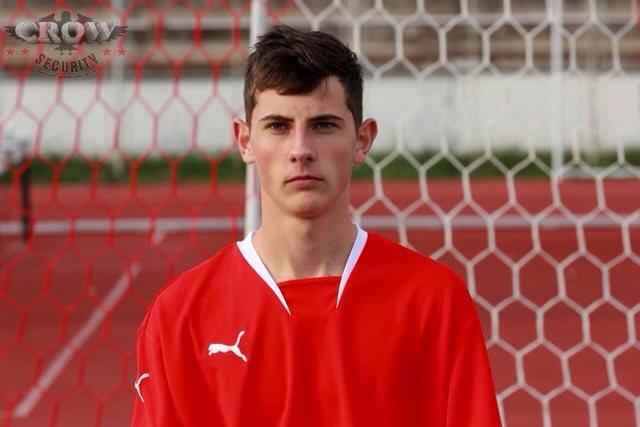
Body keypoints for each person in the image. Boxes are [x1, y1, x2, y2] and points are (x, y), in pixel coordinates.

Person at [131, 25, 502, 426]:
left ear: (362, 139)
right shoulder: (180, 316)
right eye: (278, 126)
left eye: (324, 125)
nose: (301, 150)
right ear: (245, 141)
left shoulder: (433, 302)